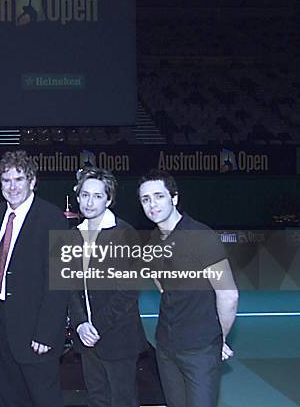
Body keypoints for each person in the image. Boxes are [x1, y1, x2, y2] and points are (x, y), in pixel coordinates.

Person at [138, 169, 239, 407]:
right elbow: (161, 285)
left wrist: (217, 339)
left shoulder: (200, 236)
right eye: (145, 199)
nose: (152, 204)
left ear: (174, 198)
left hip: (199, 350)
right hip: (165, 348)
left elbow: (228, 294)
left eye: (158, 196)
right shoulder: (153, 240)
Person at [0, 150, 69, 407]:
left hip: (35, 330)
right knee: (10, 397)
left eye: (19, 179)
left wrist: (46, 333)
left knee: (43, 398)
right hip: (0, 324)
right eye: (6, 180)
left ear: (32, 182)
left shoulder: (52, 217)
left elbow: (60, 281)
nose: (12, 187)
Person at [69, 168, 147, 407]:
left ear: (109, 199)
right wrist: (81, 324)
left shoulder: (125, 233)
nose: (89, 202)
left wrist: (96, 326)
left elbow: (128, 291)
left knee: (122, 401)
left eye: (97, 196)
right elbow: (67, 286)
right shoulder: (72, 235)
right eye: (85, 195)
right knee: (97, 400)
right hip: (87, 339)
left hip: (118, 338)